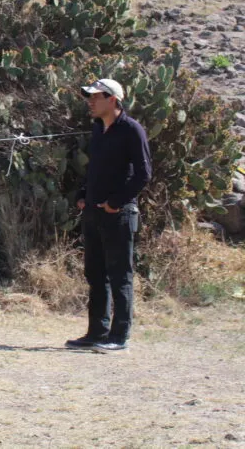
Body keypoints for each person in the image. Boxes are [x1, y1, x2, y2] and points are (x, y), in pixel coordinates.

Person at [66, 79, 151, 353]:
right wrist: (82, 194)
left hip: (119, 214)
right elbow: (95, 168)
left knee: (120, 275)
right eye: (88, 97)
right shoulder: (98, 129)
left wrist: (115, 202)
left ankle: (119, 336)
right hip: (92, 212)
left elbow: (143, 174)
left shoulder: (131, 130)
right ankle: (96, 332)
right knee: (95, 273)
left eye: (95, 97)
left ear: (112, 99)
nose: (90, 102)